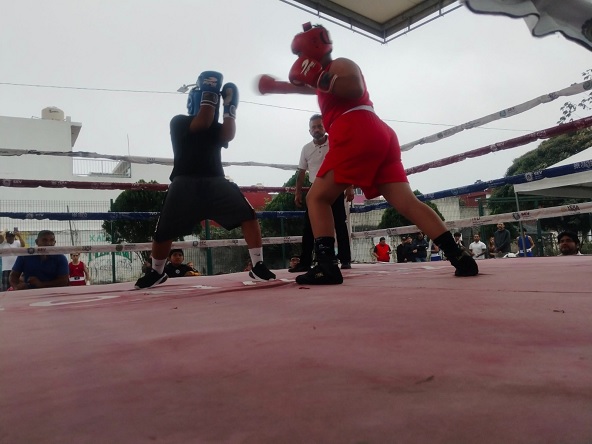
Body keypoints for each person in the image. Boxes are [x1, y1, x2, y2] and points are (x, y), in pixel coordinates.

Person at [259, 23, 478, 284]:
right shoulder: (323, 77)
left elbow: (354, 87)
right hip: (378, 134)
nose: (299, 60)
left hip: (355, 129)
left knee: (316, 198)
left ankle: (327, 266)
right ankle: (460, 257)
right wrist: (276, 86)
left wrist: (318, 78)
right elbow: (306, 87)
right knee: (407, 202)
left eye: (299, 54)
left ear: (311, 49)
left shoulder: (340, 65)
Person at [134, 71, 275, 289]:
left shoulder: (216, 127)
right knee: (164, 229)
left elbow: (228, 134)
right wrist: (211, 93)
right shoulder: (179, 122)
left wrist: (230, 110)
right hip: (185, 182)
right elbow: (203, 121)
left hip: (215, 180)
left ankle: (258, 265)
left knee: (248, 215)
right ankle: (157, 272)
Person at [290, 114, 353, 272]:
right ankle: (305, 262)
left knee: (340, 223)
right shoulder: (306, 149)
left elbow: (346, 164)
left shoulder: (334, 142)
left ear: (325, 128)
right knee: (309, 226)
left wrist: (349, 187)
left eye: (319, 126)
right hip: (315, 190)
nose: (317, 129)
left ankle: (345, 259)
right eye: (314, 127)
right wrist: (297, 193)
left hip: (334, 187)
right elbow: (301, 172)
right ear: (309, 130)